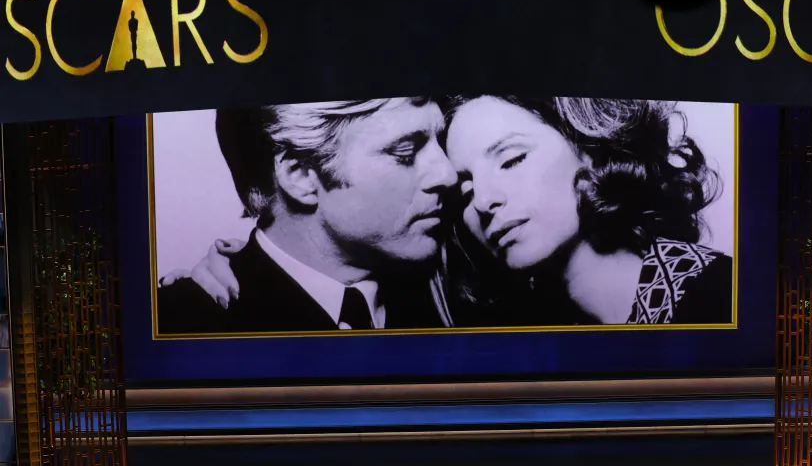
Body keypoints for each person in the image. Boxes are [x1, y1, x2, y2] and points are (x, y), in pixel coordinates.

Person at [166, 96, 732, 328]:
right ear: (299, 176)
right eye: (407, 152)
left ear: (587, 149)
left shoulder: (443, 300)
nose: (456, 189)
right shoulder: (194, 312)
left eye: (510, 159)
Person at [156, 98, 458, 334]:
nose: (447, 174)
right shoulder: (181, 324)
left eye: (441, 144)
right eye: (405, 152)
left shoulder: (454, 299)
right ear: (299, 175)